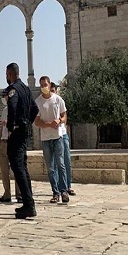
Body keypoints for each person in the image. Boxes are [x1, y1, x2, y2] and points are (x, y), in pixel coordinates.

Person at [5, 63, 39, 219]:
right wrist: (27, 122)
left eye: (7, 74)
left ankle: (29, 205)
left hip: (18, 132)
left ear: (10, 74)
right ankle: (28, 203)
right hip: (25, 131)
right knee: (22, 167)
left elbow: (12, 106)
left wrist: (12, 127)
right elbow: (35, 109)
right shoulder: (26, 88)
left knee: (17, 166)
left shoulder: (13, 89)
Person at [35, 76, 69, 204]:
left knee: (60, 164)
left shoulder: (58, 99)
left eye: (45, 84)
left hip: (57, 136)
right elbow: (36, 120)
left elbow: (64, 115)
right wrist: (47, 124)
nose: (44, 87)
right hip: (45, 138)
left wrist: (59, 120)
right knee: (50, 167)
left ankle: (64, 191)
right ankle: (55, 192)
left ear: (50, 85)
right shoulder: (38, 102)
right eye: (41, 85)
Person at [50, 82, 75, 196]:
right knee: (54, 163)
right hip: (51, 136)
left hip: (62, 134)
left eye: (53, 90)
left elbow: (65, 117)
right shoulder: (46, 102)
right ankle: (58, 188)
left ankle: (68, 185)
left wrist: (61, 122)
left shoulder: (59, 100)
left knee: (66, 160)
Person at [0, 89, 21, 203]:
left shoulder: (17, 109)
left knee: (16, 169)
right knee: (4, 170)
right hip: (4, 141)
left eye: (5, 96)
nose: (4, 98)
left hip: (14, 141)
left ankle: (19, 194)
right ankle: (7, 193)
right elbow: (2, 127)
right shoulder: (5, 109)